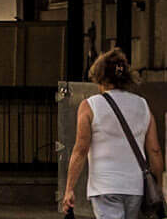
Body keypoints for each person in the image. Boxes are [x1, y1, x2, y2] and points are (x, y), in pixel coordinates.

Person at [63, 47, 165, 218]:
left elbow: (80, 150)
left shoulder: (90, 106)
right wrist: (159, 187)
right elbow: (155, 150)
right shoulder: (142, 105)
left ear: (99, 77)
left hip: (104, 186)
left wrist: (69, 189)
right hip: (134, 187)